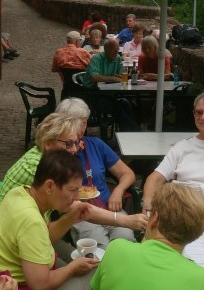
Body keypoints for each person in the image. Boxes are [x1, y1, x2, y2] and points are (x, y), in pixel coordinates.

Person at [0, 108, 147, 247]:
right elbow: (76, 206)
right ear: (48, 143)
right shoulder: (40, 166)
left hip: (31, 227)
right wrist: (125, 220)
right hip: (6, 235)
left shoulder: (44, 157)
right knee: (89, 259)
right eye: (68, 144)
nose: (75, 150)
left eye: (76, 143)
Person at [0, 150, 102, 290]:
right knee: (96, 269)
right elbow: (40, 285)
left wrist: (70, 217)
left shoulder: (19, 193)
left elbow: (42, 237)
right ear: (50, 186)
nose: (77, 197)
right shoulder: (31, 220)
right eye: (72, 190)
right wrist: (73, 268)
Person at [56, 97, 146, 248]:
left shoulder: (95, 145)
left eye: (84, 123)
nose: (80, 130)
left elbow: (127, 174)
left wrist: (118, 190)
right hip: (80, 214)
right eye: (75, 124)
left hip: (108, 207)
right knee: (98, 246)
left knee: (125, 240)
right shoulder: (59, 152)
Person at [143, 89, 204, 225]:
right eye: (198, 112)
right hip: (179, 208)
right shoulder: (182, 146)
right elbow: (155, 178)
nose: (203, 117)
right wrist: (147, 202)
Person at [82, 38, 141, 132]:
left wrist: (121, 76)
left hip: (110, 93)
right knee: (117, 107)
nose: (116, 52)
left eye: (117, 49)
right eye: (114, 50)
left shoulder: (117, 58)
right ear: (106, 49)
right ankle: (133, 132)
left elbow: (120, 75)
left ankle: (129, 131)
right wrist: (112, 78)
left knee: (127, 103)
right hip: (94, 94)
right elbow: (94, 77)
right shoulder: (97, 58)